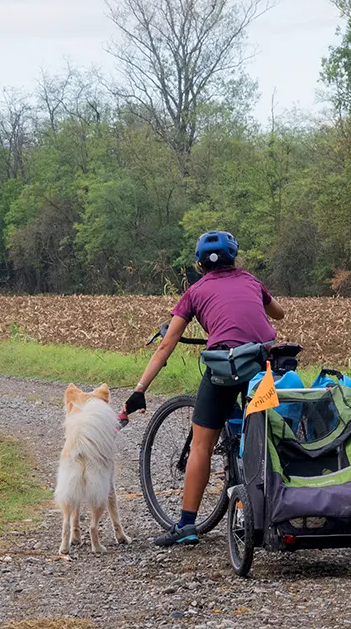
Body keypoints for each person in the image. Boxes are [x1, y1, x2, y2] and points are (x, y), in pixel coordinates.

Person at [123, 230, 285, 546]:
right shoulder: (251, 281)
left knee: (201, 445)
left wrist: (140, 389)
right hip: (264, 364)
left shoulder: (194, 292)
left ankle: (186, 525)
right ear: (234, 258)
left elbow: (166, 344)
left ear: (199, 264)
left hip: (226, 365)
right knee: (273, 429)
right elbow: (278, 313)